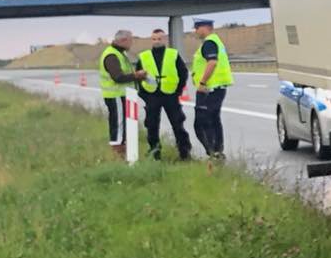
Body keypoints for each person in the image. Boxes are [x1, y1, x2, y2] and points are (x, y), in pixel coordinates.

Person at [136, 27, 193, 161]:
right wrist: (144, 94)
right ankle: (155, 152)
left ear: (165, 39)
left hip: (170, 95)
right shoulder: (144, 56)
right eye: (154, 39)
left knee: (178, 124)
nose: (156, 41)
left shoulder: (173, 54)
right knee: (151, 125)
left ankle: (184, 153)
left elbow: (183, 73)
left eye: (159, 39)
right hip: (152, 95)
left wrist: (178, 90)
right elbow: (138, 75)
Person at [190, 17, 234, 159]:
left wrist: (202, 82)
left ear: (205, 28)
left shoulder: (209, 43)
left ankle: (213, 151)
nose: (195, 31)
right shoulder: (215, 41)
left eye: (197, 28)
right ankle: (217, 151)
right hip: (216, 87)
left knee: (203, 120)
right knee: (213, 119)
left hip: (209, 88)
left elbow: (212, 63)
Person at [98, 30, 142, 153]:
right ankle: (118, 154)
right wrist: (136, 76)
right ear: (123, 41)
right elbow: (118, 77)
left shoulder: (119, 53)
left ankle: (123, 151)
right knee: (118, 126)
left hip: (121, 95)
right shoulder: (112, 55)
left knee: (122, 126)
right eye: (131, 40)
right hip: (115, 96)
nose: (132, 43)